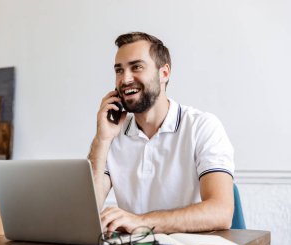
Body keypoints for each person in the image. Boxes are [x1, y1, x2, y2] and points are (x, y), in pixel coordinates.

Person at [88, 32, 235, 234]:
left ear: (164, 73)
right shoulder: (112, 135)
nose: (125, 79)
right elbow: (87, 211)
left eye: (136, 67)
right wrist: (102, 139)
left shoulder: (202, 126)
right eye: (119, 70)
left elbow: (221, 211)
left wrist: (140, 222)